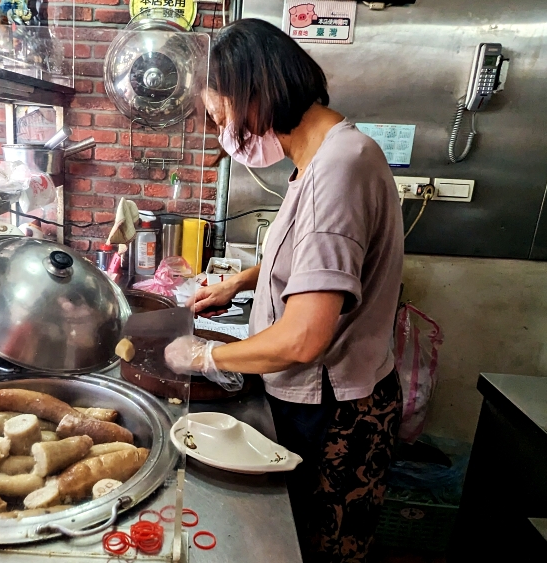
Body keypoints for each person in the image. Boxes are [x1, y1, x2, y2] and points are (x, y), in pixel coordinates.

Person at [164, 18, 404, 563]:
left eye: (221, 114)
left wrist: (205, 355)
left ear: (256, 92)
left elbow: (302, 339)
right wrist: (246, 280)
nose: (224, 132)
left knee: (313, 551)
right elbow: (318, 259)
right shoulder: (328, 155)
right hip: (329, 397)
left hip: (334, 412)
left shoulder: (335, 173)